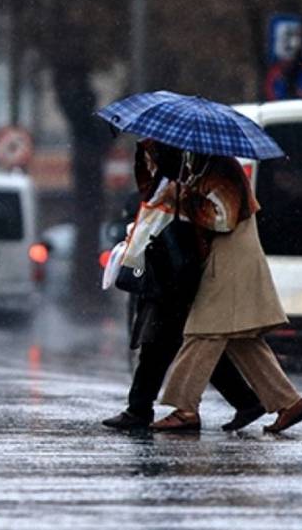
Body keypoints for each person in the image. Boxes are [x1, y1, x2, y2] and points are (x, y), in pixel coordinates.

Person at [102, 141, 266, 431]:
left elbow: (218, 218)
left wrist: (186, 199)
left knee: (164, 342)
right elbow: (147, 197)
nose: (150, 151)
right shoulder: (169, 174)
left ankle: (141, 408)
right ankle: (244, 400)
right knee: (177, 343)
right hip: (158, 264)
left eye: (153, 147)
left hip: (174, 269)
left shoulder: (200, 173)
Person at [150, 153, 302, 434]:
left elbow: (223, 219)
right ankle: (289, 403)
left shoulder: (223, 170)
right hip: (227, 258)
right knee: (242, 338)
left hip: (231, 260)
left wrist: (183, 198)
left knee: (203, 331)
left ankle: (184, 409)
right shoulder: (204, 168)